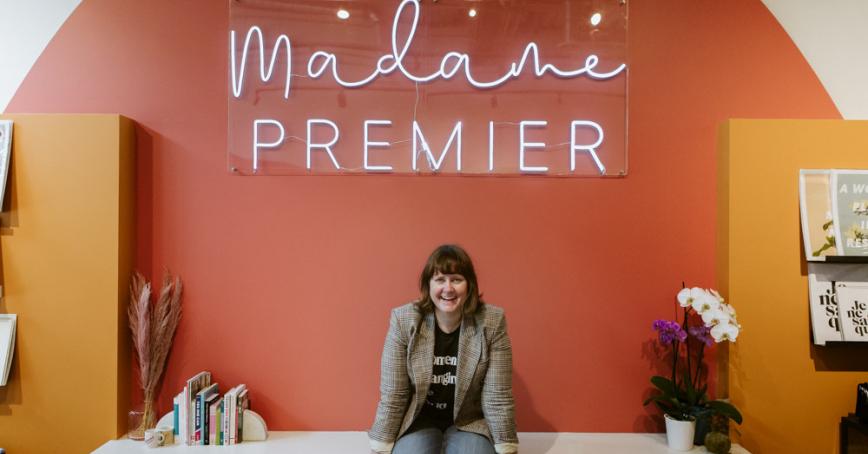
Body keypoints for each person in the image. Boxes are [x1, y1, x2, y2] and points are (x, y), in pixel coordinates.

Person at [369, 244, 519, 454]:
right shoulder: (404, 320)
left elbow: (497, 395)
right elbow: (394, 392)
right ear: (427, 285)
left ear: (469, 285)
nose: (448, 288)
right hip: (419, 420)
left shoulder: (491, 322)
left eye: (456, 279)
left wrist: (506, 447)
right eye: (440, 280)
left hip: (468, 421)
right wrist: (381, 446)